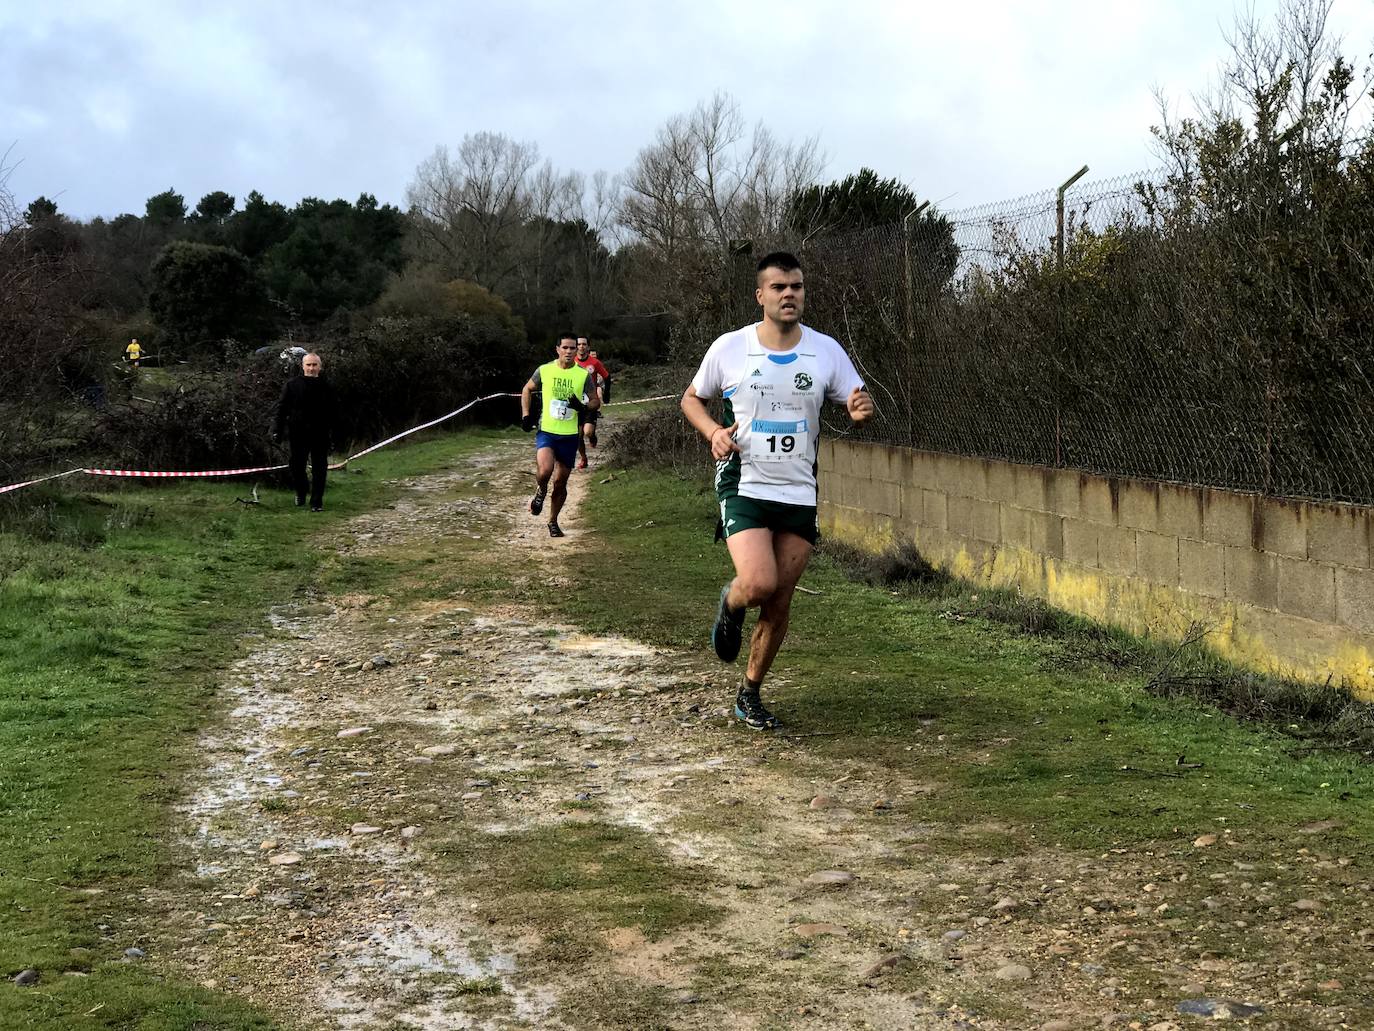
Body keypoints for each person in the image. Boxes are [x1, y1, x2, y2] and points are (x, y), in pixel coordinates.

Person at [680, 252, 875, 730]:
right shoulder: (730, 347)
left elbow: (855, 395)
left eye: (797, 286)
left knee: (780, 599)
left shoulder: (825, 350)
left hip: (799, 489)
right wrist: (712, 432)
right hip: (744, 481)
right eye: (780, 287)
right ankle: (732, 600)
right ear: (761, 296)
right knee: (760, 583)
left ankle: (750, 692)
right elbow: (692, 399)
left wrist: (858, 407)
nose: (790, 294)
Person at [521, 334, 600, 537]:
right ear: (557, 349)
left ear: (577, 350)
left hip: (569, 435)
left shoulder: (582, 375)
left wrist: (581, 406)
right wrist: (526, 415)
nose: (569, 351)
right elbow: (527, 389)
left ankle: (553, 521)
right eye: (565, 347)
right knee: (545, 471)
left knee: (560, 482)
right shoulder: (545, 370)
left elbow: (594, 401)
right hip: (547, 431)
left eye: (572, 348)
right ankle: (540, 490)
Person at [272, 352, 336, 511]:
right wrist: (277, 430)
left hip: (320, 433)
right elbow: (282, 409)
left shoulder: (327, 386)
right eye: (308, 365)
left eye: (315, 365)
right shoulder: (292, 385)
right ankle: (301, 491)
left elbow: (335, 411)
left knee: (319, 468)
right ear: (303, 366)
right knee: (296, 466)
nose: (311, 368)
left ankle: (316, 502)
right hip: (298, 433)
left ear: (320, 367)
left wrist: (336, 434)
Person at [574, 337, 611, 468]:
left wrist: (606, 395)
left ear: (588, 347)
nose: (581, 347)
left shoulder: (594, 363)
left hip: (591, 402)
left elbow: (607, 377)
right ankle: (584, 459)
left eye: (584, 344)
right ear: (576, 346)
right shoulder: (571, 362)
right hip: (576, 403)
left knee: (588, 432)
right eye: (579, 344)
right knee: (577, 436)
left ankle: (592, 436)